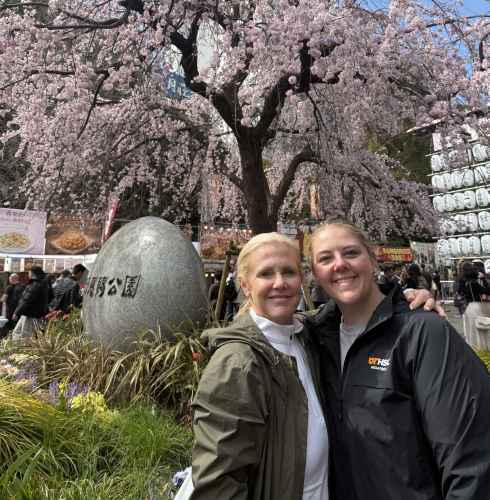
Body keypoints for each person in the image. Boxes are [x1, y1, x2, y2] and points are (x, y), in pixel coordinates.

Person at [190, 232, 438, 500]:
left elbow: (355, 309)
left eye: (289, 272)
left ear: (302, 279)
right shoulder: (237, 363)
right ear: (245, 285)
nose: (280, 283)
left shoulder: (308, 335)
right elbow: (218, 482)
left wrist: (405, 299)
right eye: (265, 274)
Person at [305, 220, 490, 500]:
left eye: (351, 253)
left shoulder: (422, 332)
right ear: (315, 273)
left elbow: (471, 457)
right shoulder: (313, 340)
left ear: (372, 258)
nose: (339, 264)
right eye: (325, 258)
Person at [12, 266, 52, 340]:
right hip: (37, 315)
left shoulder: (34, 285)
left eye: (29, 273)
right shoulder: (45, 284)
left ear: (33, 274)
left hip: (30, 315)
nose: (28, 274)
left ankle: (22, 351)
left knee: (24, 337)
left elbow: (26, 299)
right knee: (20, 334)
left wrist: (17, 312)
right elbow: (51, 298)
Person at [457, 261, 490, 348]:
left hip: (467, 307)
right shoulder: (474, 284)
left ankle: (472, 348)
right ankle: (481, 348)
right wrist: (483, 279)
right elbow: (488, 291)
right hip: (476, 306)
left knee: (470, 330)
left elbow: (459, 291)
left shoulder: (463, 282)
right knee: (479, 328)